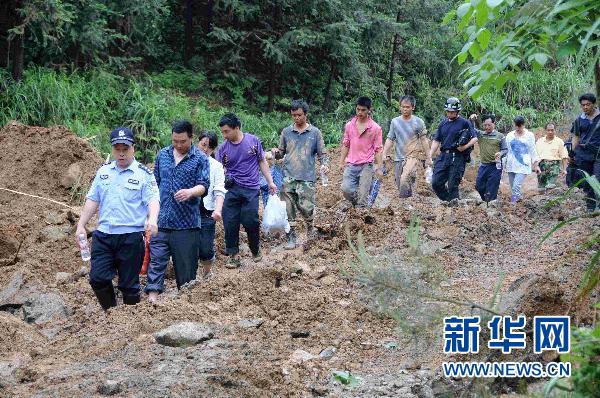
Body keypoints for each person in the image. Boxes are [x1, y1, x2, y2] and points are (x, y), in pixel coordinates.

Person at [76, 127, 159, 310]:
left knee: (129, 286)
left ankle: (130, 321)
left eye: (125, 149)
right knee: (98, 279)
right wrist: (81, 224)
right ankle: (111, 313)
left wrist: (152, 219)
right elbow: (93, 199)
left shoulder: (143, 174)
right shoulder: (103, 172)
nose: (121, 154)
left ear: (133, 149)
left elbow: (153, 199)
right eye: (117, 150)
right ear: (112, 150)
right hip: (104, 235)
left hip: (130, 236)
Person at [145, 120, 210, 303]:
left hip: (186, 224)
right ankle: (152, 300)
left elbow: (204, 185)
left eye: (183, 141)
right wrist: (150, 216)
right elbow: (154, 185)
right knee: (156, 262)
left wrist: (191, 192)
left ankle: (186, 304)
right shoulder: (163, 155)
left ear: (191, 138)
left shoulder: (200, 158)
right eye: (175, 141)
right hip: (162, 220)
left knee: (186, 270)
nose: (179, 145)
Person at [217, 113, 277, 268]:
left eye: (226, 131)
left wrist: (270, 182)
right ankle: (233, 255)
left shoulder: (253, 141)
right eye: (222, 132)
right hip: (231, 189)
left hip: (250, 188)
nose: (224, 135)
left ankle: (255, 249)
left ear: (236, 128)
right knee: (230, 222)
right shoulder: (223, 148)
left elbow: (262, 161)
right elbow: (218, 169)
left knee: (251, 220)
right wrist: (223, 174)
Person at [272, 99, 329, 249]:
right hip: (288, 176)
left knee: (306, 207)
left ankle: (310, 228)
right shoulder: (286, 132)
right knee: (288, 208)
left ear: (305, 114)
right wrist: (275, 153)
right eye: (293, 115)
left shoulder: (314, 133)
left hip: (307, 177)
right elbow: (281, 153)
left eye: (299, 115)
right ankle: (291, 237)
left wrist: (324, 164)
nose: (296, 118)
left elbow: (322, 153)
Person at [382, 95, 432, 198]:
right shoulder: (395, 122)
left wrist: (429, 157)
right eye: (403, 106)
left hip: (412, 157)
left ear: (413, 107)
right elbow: (390, 138)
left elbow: (424, 140)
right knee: (400, 183)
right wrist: (384, 153)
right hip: (398, 157)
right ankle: (409, 202)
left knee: (405, 179)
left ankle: (405, 202)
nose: (405, 109)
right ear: (400, 107)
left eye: (407, 107)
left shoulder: (418, 122)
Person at [428, 97, 477, 202]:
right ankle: (449, 201)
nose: (449, 114)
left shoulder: (464, 123)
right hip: (443, 156)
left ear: (457, 111)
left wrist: (464, 147)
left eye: (452, 112)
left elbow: (474, 138)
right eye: (448, 111)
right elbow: (436, 140)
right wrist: (430, 154)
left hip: (457, 157)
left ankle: (455, 209)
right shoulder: (443, 124)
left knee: (452, 185)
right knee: (436, 183)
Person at [340, 96, 384, 207]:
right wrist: (341, 162)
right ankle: (357, 204)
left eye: (363, 110)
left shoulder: (375, 128)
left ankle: (362, 213)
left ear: (369, 110)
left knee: (364, 196)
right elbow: (346, 144)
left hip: (367, 165)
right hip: (351, 164)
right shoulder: (349, 125)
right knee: (346, 189)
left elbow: (378, 149)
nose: (360, 112)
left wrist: (379, 167)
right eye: (358, 109)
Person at [197, 131, 226, 279]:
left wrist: (218, 209)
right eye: (203, 144)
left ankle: (207, 272)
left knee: (205, 246)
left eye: (209, 147)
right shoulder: (187, 161)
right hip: (188, 211)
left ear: (213, 149)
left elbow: (219, 189)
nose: (205, 149)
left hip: (207, 210)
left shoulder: (216, 166)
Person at [571, 93, 600, 213]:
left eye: (588, 104)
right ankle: (590, 206)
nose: (585, 107)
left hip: (598, 154)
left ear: (594, 104)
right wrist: (572, 152)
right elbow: (576, 137)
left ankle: (598, 204)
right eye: (583, 105)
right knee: (587, 180)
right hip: (583, 154)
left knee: (597, 178)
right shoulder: (579, 120)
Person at [469, 113, 507, 202]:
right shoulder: (480, 135)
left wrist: (500, 153)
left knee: (492, 187)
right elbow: (470, 129)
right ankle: (485, 201)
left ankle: (491, 207)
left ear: (494, 124)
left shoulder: (500, 136)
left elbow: (505, 150)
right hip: (484, 165)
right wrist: (471, 120)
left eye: (489, 125)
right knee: (479, 186)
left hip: (495, 166)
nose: (487, 127)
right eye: (485, 125)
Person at [505, 116, 540, 203]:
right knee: (513, 186)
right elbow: (507, 150)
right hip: (511, 164)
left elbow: (532, 150)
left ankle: (513, 203)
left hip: (523, 164)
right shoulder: (509, 136)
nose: (517, 128)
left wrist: (536, 165)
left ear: (523, 125)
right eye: (516, 126)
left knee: (516, 185)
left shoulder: (529, 135)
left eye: (519, 126)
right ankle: (519, 200)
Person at [535, 122, 568, 190]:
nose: (550, 132)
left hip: (554, 166)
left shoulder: (559, 142)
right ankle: (542, 200)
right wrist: (536, 166)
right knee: (541, 188)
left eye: (552, 130)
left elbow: (564, 156)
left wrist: (564, 169)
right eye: (548, 130)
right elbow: (536, 155)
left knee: (551, 186)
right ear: (545, 131)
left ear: (555, 130)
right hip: (541, 166)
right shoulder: (539, 141)